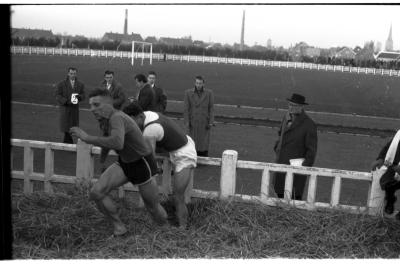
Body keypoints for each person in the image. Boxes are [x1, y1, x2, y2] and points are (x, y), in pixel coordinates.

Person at [69, 89, 167, 236]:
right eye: (90, 105)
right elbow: (108, 138)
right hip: (125, 162)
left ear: (108, 105)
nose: (92, 109)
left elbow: (117, 143)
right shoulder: (105, 120)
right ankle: (119, 227)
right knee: (97, 193)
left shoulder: (116, 117)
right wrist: (102, 160)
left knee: (152, 207)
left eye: (96, 105)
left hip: (142, 163)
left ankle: (166, 232)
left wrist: (86, 137)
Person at [123, 102, 197, 228]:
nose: (131, 126)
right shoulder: (148, 114)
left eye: (132, 122)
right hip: (178, 145)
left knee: (178, 196)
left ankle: (183, 230)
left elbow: (149, 157)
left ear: (139, 116)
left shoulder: (150, 130)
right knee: (177, 196)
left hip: (184, 154)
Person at [273, 93, 318, 200]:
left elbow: (311, 152)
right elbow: (280, 134)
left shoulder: (309, 124)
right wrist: (277, 147)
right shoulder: (286, 117)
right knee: (278, 196)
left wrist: (303, 170)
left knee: (293, 199)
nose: (291, 107)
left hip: (296, 171)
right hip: (280, 164)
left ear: (302, 107)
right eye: (290, 104)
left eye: (295, 105)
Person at [371, 130, 400, 220]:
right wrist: (380, 158)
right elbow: (389, 146)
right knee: (385, 182)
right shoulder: (399, 134)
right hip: (394, 166)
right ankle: (390, 201)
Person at [183, 76, 215, 157]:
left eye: (200, 83)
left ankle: (203, 156)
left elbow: (211, 108)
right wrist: (187, 122)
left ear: (203, 84)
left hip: (204, 121)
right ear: (195, 83)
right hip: (193, 121)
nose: (198, 85)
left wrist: (211, 121)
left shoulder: (209, 93)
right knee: (192, 140)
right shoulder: (188, 93)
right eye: (197, 83)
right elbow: (186, 108)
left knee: (203, 141)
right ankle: (193, 155)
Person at [55, 67, 85, 144]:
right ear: (68, 73)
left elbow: (83, 95)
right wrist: (66, 101)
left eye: (74, 73)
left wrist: (80, 97)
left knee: (72, 127)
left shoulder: (80, 84)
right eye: (71, 73)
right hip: (65, 108)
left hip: (74, 109)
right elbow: (58, 95)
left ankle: (67, 143)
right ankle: (69, 143)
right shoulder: (61, 84)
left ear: (76, 74)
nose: (73, 75)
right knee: (66, 126)